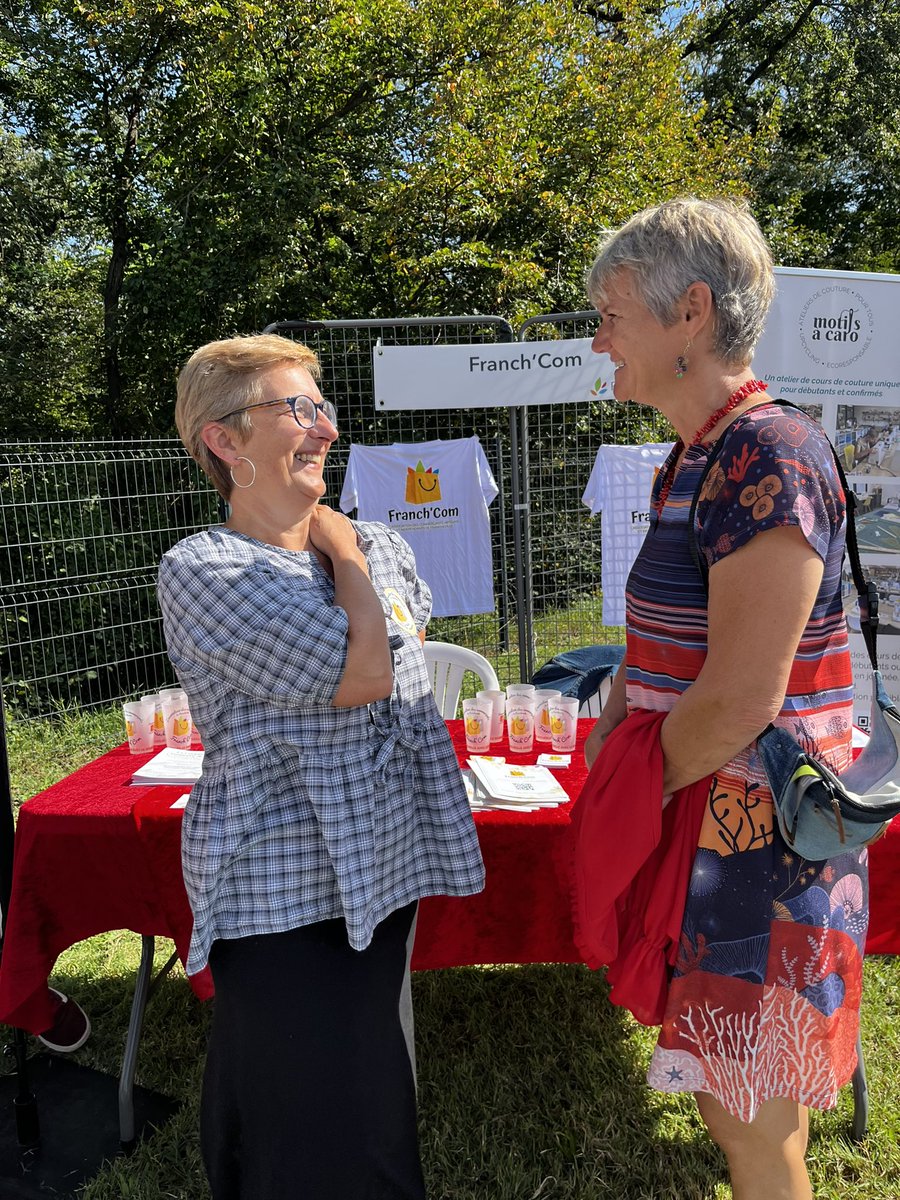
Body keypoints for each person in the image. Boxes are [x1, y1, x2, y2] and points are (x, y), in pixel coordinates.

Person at [582, 198, 866, 1200]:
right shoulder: (697, 454)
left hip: (757, 844)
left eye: (611, 312)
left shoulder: (766, 454)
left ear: (689, 314)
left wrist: (626, 786)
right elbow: (664, 647)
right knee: (733, 1105)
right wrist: (616, 716)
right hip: (715, 826)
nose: (597, 337)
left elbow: (746, 695)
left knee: (749, 1117)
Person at [157, 333, 485, 1200]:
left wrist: (357, 567)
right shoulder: (206, 567)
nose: (324, 428)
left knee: (348, 1091)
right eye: (294, 408)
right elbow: (368, 674)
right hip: (279, 887)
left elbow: (402, 643)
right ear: (225, 441)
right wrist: (346, 560)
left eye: (322, 406)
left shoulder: (383, 540)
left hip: (379, 868)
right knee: (323, 1124)